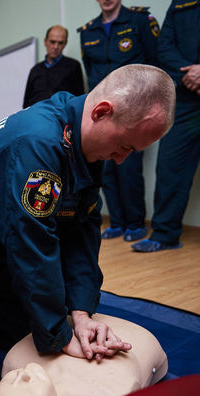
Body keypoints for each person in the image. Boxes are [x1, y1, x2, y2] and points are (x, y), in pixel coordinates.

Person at [0, 64, 175, 396]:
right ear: (102, 112)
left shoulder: (85, 139)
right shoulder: (38, 143)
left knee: (31, 331)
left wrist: (80, 311)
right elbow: (30, 244)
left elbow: (83, 230)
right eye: (124, 146)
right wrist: (59, 336)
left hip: (1, 253)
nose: (121, 160)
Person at [79, 0, 160, 242]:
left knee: (129, 167)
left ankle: (135, 223)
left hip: (133, 109)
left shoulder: (139, 20)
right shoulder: (87, 32)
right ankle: (117, 222)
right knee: (104, 168)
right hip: (102, 111)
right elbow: (90, 72)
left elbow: (155, 63)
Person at [0, 314, 168, 396]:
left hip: (71, 322)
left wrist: (80, 314)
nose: (21, 375)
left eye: (8, 383)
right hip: (140, 341)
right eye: (24, 389)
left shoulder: (15, 359)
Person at [132, 0, 200, 252]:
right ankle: (165, 234)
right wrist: (190, 74)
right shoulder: (180, 3)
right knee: (170, 166)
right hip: (185, 96)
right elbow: (165, 46)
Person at [23, 25, 84, 109]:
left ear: (65, 43)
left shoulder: (73, 66)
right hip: (35, 116)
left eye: (60, 43)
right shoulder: (35, 70)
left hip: (60, 117)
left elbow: (79, 100)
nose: (55, 47)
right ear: (45, 42)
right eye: (52, 42)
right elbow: (26, 103)